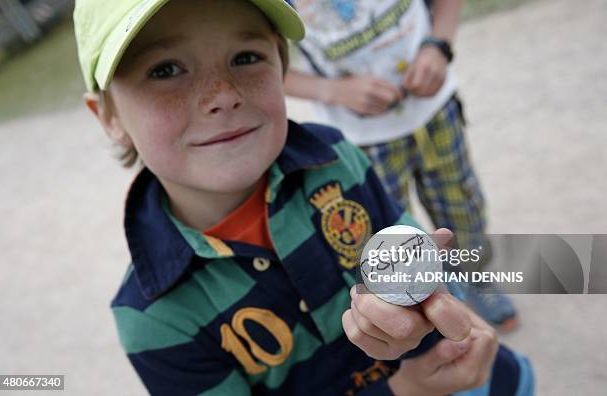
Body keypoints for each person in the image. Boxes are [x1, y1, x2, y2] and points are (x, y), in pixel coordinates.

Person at [74, 0, 533, 394]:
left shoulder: (334, 154)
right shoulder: (153, 317)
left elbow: (407, 241)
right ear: (107, 116)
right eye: (165, 70)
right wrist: (401, 392)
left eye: (245, 57)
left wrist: (433, 301)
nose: (223, 95)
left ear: (281, 66)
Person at [283, 0, 518, 332]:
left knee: (462, 210)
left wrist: (438, 45)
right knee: (391, 236)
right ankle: (421, 304)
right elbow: (257, 62)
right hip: (361, 139)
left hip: (434, 113)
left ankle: (472, 276)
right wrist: (333, 90)